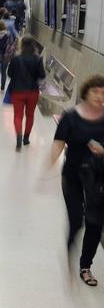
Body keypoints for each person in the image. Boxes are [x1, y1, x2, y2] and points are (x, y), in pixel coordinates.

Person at [48, 75, 104, 287]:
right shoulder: (71, 117)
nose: (100, 96)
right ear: (86, 92)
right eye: (96, 91)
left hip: (99, 179)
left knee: (94, 223)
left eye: (103, 92)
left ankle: (85, 267)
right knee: (76, 219)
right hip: (72, 176)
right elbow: (58, 143)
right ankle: (69, 253)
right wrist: (47, 169)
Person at [7, 35, 46, 151]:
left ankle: (18, 135)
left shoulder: (15, 59)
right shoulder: (38, 59)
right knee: (30, 115)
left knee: (18, 115)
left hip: (17, 91)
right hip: (33, 92)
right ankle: (26, 138)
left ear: (22, 45)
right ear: (34, 46)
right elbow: (42, 75)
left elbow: (9, 74)